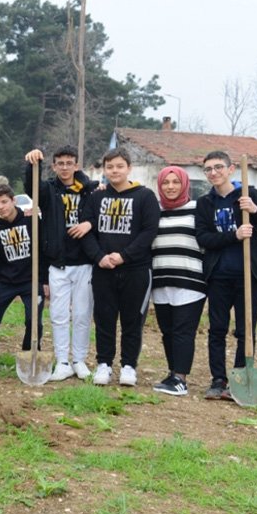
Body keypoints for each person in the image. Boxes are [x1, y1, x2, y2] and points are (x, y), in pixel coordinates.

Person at [194, 150, 257, 400]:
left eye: (218, 167)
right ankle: (218, 380)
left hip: (249, 276)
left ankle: (240, 378)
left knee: (245, 330)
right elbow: (204, 239)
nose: (213, 173)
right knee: (217, 329)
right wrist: (233, 236)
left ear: (231, 169)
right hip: (219, 276)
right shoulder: (205, 203)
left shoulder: (250, 194)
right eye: (208, 169)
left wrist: (255, 210)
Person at [79, 148, 160, 387]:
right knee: (104, 319)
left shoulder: (145, 196)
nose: (114, 171)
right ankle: (104, 364)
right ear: (104, 170)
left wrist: (124, 256)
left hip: (136, 270)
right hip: (103, 269)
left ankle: (128, 366)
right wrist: (99, 257)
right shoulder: (96, 197)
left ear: (129, 168)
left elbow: (149, 232)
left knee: (132, 320)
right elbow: (86, 230)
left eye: (119, 166)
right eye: (110, 167)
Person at [24, 146, 97, 381]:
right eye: (60, 163)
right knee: (58, 314)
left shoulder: (90, 190)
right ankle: (63, 361)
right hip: (58, 263)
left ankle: (79, 360)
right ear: (54, 166)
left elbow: (97, 214)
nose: (65, 167)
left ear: (76, 165)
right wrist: (31, 164)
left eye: (69, 163)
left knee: (83, 313)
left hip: (84, 262)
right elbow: (30, 188)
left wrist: (89, 224)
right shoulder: (48, 190)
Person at [0, 184, 47, 372]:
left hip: (31, 280)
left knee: (33, 320)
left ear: (14, 201)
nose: (1, 207)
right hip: (5, 282)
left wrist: (44, 281)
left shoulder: (31, 221)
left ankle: (29, 355)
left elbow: (43, 252)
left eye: (4, 202)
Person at [150, 166, 206, 396]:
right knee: (168, 331)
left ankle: (181, 379)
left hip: (190, 280)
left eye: (175, 182)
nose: (170, 187)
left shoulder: (197, 209)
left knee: (184, 330)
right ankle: (173, 372)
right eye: (166, 182)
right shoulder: (155, 211)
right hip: (161, 279)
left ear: (184, 184)